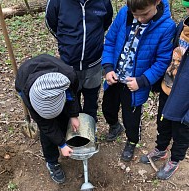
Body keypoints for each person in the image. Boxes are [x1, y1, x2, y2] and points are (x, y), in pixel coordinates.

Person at [101, 0, 176, 161]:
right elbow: (110, 41)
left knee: (132, 119)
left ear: (156, 2)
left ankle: (132, 141)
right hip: (114, 78)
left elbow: (162, 61)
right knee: (108, 108)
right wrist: (107, 68)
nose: (140, 19)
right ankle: (114, 126)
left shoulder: (166, 26)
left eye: (145, 14)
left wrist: (142, 81)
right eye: (136, 15)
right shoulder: (124, 14)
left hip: (135, 85)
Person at [140, 0, 189, 180]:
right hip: (168, 89)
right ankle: (161, 149)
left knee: (181, 132)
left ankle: (175, 160)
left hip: (185, 100)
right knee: (163, 123)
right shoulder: (182, 27)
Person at [15, 54, 80, 184]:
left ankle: (66, 141)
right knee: (47, 131)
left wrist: (73, 115)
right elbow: (46, 125)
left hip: (58, 78)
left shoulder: (69, 76)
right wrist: (61, 144)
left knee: (64, 119)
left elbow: (72, 96)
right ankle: (52, 162)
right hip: (27, 79)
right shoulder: (27, 93)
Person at [45, 0, 113, 122]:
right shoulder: (57, 2)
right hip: (69, 65)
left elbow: (106, 21)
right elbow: (51, 23)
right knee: (72, 102)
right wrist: (66, 41)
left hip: (94, 63)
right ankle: (76, 134)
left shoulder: (103, 2)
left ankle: (90, 130)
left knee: (91, 102)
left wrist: (93, 39)